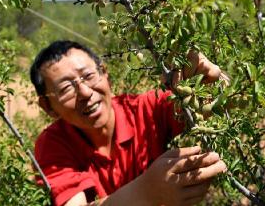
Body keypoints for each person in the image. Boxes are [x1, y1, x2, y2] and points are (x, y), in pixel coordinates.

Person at [30, 40, 227, 206]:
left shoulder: (142, 108)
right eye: (65, 88)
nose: (85, 92)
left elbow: (208, 105)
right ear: (48, 106)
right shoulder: (52, 145)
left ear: (105, 74)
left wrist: (209, 79)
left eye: (89, 76)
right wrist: (149, 191)